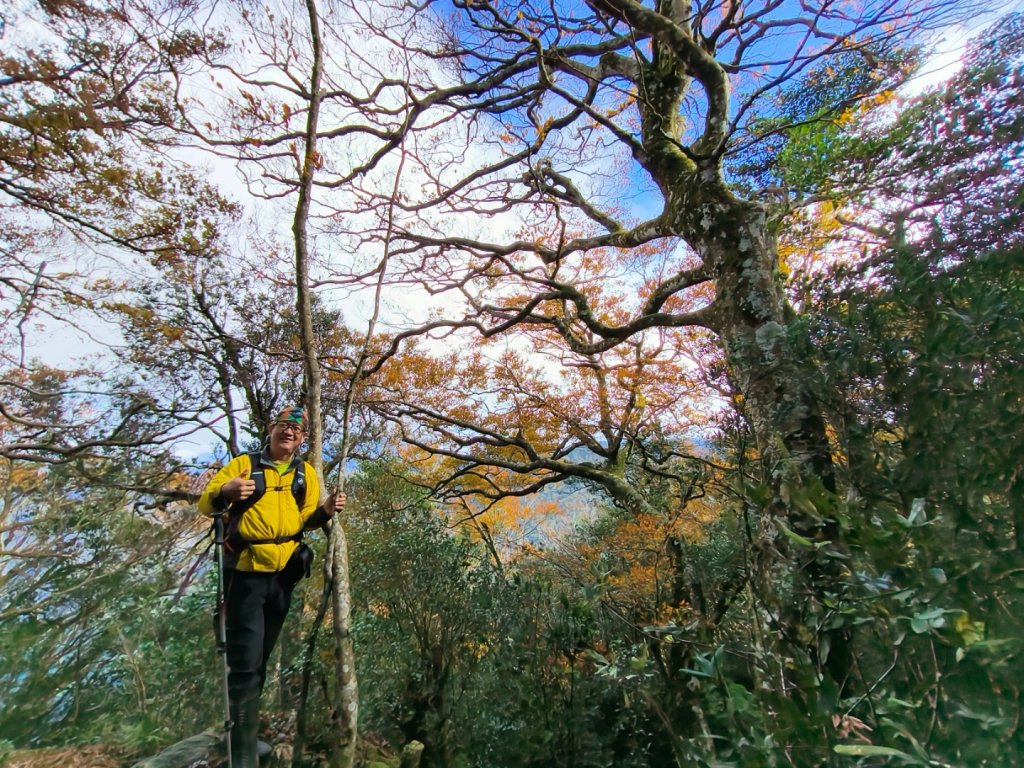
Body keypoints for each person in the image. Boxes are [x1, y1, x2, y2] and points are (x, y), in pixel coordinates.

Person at [199, 405, 345, 767]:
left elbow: (304, 520)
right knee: (245, 662)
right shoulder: (244, 465)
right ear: (271, 429)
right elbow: (207, 503)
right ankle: (242, 751)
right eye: (283, 426)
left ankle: (242, 734)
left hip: (282, 580)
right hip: (245, 576)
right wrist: (227, 491)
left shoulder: (305, 474)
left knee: (260, 657)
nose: (289, 433)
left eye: (296, 430)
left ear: (302, 439)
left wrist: (325, 510)